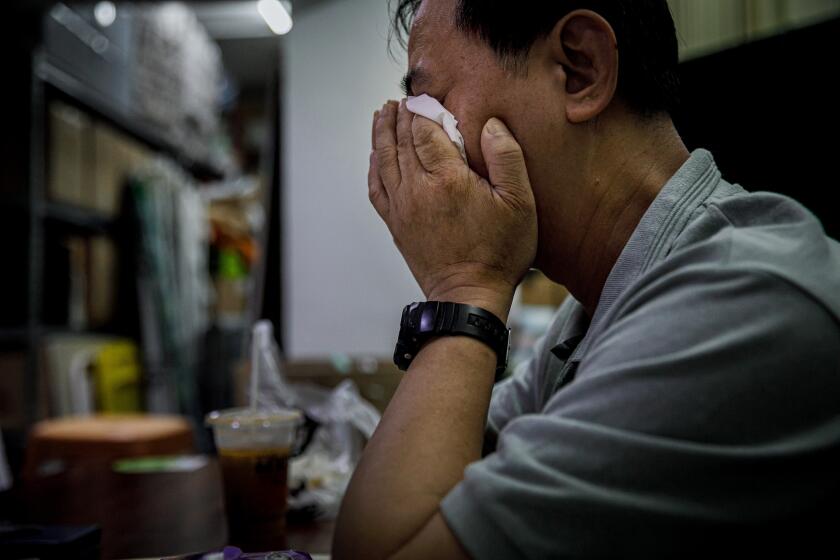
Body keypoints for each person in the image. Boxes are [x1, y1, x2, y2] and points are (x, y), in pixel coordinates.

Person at [332, 0, 840, 558]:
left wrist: (464, 287)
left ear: (581, 69)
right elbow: (441, 486)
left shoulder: (744, 299)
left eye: (432, 101)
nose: (421, 136)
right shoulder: (597, 311)